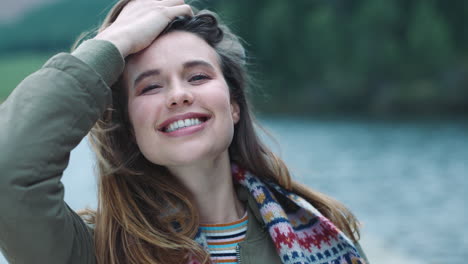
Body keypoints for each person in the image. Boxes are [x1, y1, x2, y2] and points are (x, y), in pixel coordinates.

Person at [0, 0, 369, 263]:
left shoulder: (325, 233)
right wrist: (115, 42)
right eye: (150, 87)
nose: (179, 95)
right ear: (129, 128)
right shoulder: (93, 251)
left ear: (234, 104)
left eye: (198, 76)